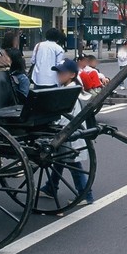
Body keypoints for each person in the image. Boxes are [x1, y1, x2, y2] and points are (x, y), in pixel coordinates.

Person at [40, 59, 94, 204]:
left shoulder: (70, 92)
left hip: (69, 134)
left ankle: (86, 194)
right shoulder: (70, 89)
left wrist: (51, 128)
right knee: (59, 160)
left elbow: (65, 118)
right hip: (70, 133)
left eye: (62, 72)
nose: (59, 75)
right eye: (58, 72)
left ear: (72, 74)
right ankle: (51, 187)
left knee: (72, 164)